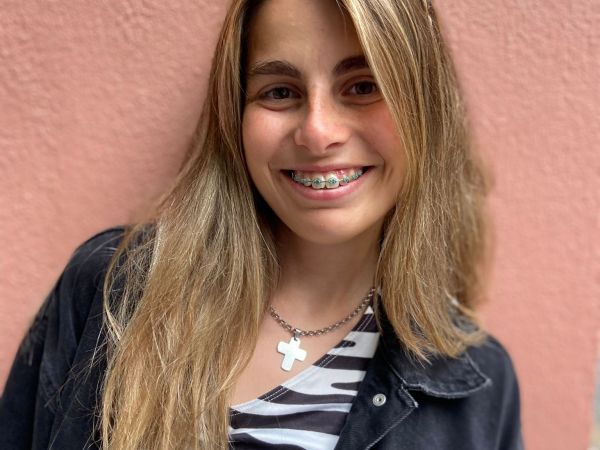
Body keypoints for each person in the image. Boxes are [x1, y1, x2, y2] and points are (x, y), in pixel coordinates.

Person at [0, 0, 524, 449]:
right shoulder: (111, 292)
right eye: (279, 91)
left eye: (363, 86)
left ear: (425, 109)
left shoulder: (478, 388)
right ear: (236, 117)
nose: (318, 132)